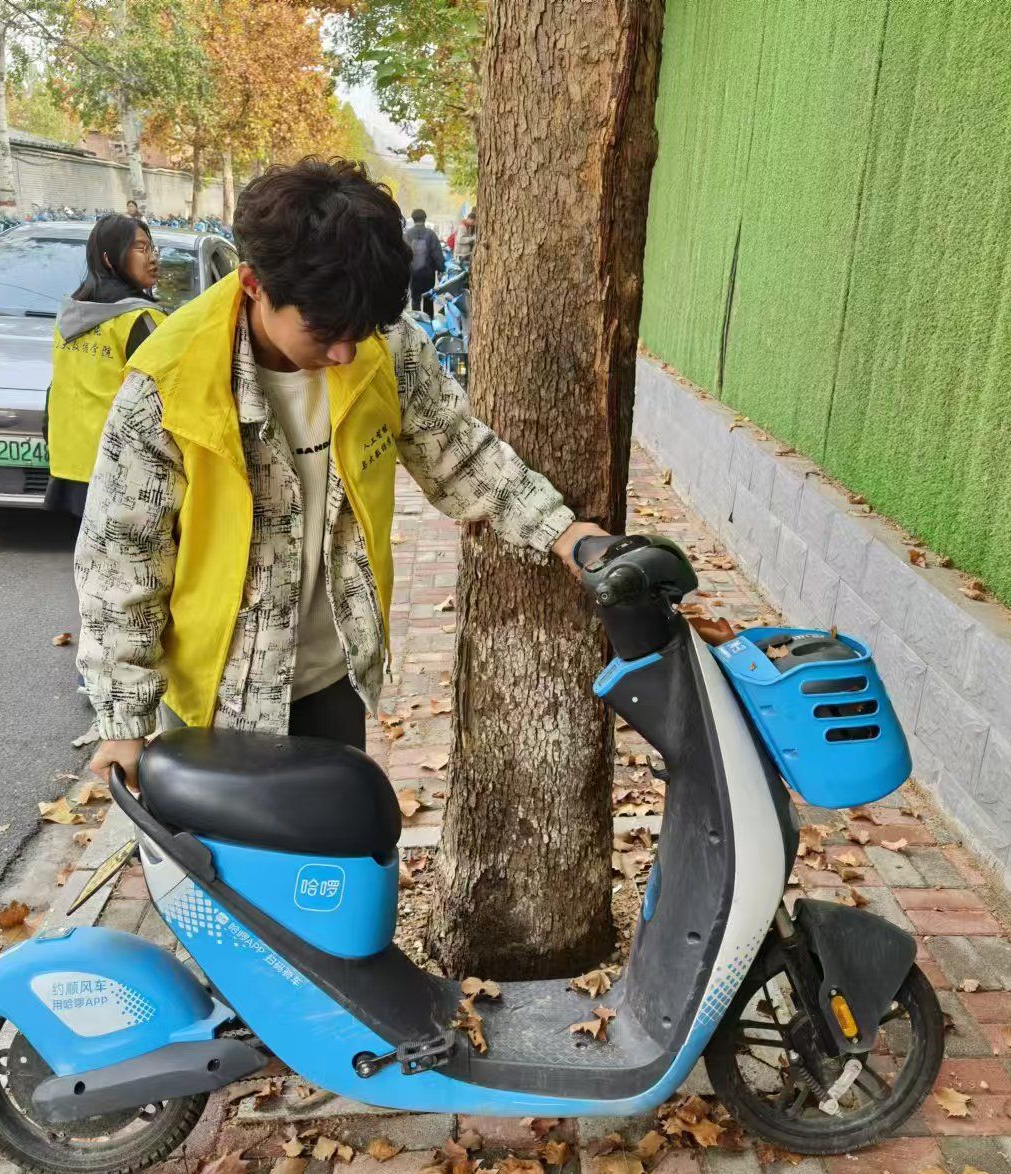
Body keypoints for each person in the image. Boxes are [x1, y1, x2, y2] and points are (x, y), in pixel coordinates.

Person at [76, 157, 606, 778]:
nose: (345, 352)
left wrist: (565, 534)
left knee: (336, 837)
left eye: (361, 329)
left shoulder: (387, 348)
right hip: (217, 703)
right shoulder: (168, 385)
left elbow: (458, 451)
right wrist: (124, 722)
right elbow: (122, 557)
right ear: (254, 285)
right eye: (325, 330)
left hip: (336, 676)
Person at [44, 214, 164, 517]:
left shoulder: (69, 317)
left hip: (69, 464)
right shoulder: (141, 320)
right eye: (140, 248)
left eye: (152, 248)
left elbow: (56, 388)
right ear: (110, 260)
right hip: (119, 469)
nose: (152, 258)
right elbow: (161, 402)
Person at [403, 207, 445, 317]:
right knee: (428, 298)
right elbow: (437, 254)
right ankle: (429, 320)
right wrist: (441, 269)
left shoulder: (407, 234)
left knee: (415, 299)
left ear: (413, 219)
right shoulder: (431, 234)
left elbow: (402, 255)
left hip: (413, 274)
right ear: (425, 218)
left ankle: (417, 320)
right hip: (428, 273)